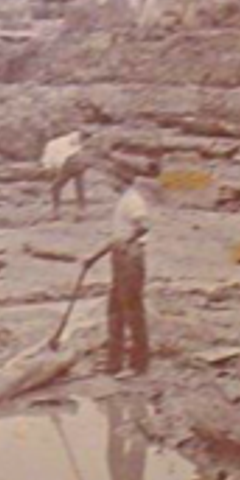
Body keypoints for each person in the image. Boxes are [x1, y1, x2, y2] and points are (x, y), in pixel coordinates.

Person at [81, 159, 156, 378]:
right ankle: (114, 362)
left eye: (112, 178)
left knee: (132, 311)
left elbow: (143, 227)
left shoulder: (133, 200)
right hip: (120, 258)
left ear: (120, 179)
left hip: (130, 259)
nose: (109, 182)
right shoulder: (123, 200)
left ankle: (138, 365)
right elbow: (117, 237)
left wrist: (126, 244)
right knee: (114, 310)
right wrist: (93, 257)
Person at [42, 130, 93, 219]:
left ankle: (56, 212)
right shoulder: (65, 140)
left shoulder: (53, 143)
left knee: (56, 188)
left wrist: (49, 168)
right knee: (79, 187)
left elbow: (48, 160)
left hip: (69, 164)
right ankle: (81, 210)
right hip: (75, 162)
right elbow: (77, 139)